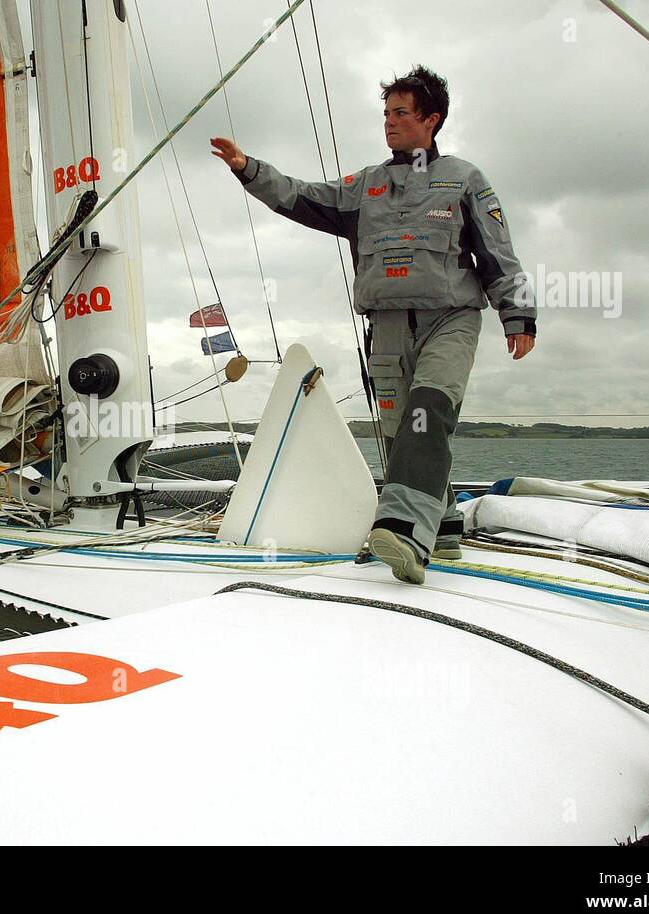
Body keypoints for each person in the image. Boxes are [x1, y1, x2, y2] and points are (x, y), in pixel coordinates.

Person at [211, 65, 535, 584]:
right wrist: (249, 168)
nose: (389, 122)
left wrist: (517, 314)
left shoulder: (464, 180)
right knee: (397, 428)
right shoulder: (365, 186)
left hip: (449, 318)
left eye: (401, 113)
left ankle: (404, 531)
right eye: (385, 113)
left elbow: (498, 253)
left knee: (428, 411)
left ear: (431, 120)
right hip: (384, 326)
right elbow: (302, 197)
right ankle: (445, 523)